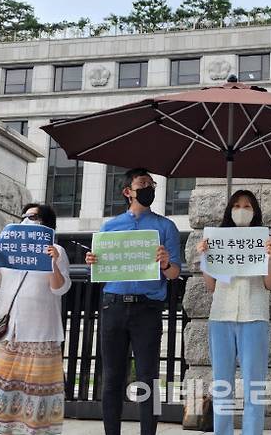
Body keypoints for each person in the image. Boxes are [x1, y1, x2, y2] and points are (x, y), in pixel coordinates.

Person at [85, 168, 181, 435]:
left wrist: (165, 262)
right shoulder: (109, 227)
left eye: (152, 184)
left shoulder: (165, 227)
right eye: (143, 184)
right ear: (128, 192)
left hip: (147, 308)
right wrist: (93, 261)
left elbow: (174, 274)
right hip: (113, 305)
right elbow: (101, 270)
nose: (149, 187)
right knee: (112, 377)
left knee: (148, 376)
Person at [0, 203, 71, 435]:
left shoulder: (55, 249)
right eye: (25, 216)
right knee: (3, 392)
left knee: (35, 395)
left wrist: (53, 263)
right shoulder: (8, 247)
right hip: (9, 333)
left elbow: (61, 288)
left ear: (46, 223)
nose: (28, 219)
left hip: (40, 333)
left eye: (34, 216)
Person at [196, 189, 271, 435]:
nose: (241, 210)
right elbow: (211, 286)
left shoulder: (267, 240)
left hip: (254, 316)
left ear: (255, 212)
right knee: (222, 385)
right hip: (221, 316)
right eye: (236, 205)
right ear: (229, 210)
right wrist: (205, 258)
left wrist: (267, 257)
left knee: (255, 386)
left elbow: (270, 284)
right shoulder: (217, 240)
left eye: (247, 206)